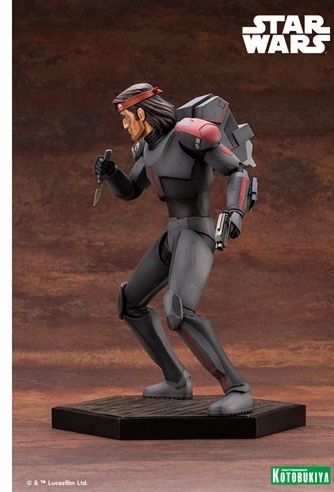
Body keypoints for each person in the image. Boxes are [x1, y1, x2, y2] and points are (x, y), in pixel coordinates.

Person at [94, 83, 254, 416]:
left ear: (141, 114)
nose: (124, 126)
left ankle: (238, 389)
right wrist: (111, 174)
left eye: (126, 118)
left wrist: (235, 212)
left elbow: (236, 171)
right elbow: (130, 191)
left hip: (197, 232)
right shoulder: (147, 148)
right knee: (130, 302)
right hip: (173, 234)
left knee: (178, 308)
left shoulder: (189, 135)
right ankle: (177, 380)